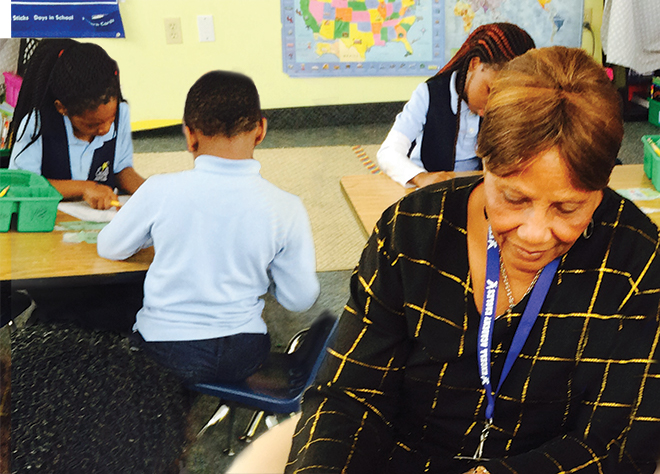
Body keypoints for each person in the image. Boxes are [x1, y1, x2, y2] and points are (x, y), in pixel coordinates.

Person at [286, 47, 660, 474]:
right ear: (483, 160)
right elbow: (348, 396)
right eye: (513, 199)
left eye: (568, 208)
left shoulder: (635, 258)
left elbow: (621, 438)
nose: (534, 234)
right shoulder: (411, 232)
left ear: (601, 188)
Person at [97, 70, 320, 384]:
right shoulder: (287, 206)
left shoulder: (159, 190)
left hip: (165, 350)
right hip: (244, 352)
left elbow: (110, 247)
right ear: (261, 131)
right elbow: (300, 298)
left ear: (189, 135)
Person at [377, 23, 535, 188]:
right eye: (489, 90)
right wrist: (421, 178)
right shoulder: (429, 94)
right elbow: (388, 153)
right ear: (475, 64)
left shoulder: (509, 104)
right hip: (427, 192)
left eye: (503, 96)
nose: (491, 105)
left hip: (476, 191)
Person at [8, 39, 144, 210]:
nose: (105, 129)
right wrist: (84, 188)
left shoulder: (121, 113)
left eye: (111, 119)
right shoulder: (38, 124)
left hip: (96, 223)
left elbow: (121, 169)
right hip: (42, 218)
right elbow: (23, 184)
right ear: (62, 108)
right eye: (92, 125)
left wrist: (148, 190)